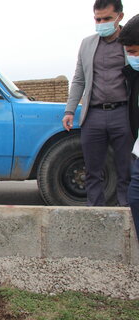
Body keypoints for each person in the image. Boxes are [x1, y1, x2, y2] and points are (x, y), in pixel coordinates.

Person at [62, 0, 132, 206]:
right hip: (93, 115)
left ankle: (127, 213)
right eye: (97, 19)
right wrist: (69, 110)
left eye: (106, 19)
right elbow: (78, 80)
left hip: (123, 114)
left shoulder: (130, 43)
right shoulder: (87, 44)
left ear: (119, 16)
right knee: (92, 171)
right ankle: (95, 213)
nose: (101, 23)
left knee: (125, 169)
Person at [122, 14, 139, 243]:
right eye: (130, 52)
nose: (132, 57)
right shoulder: (133, 77)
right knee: (134, 198)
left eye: (135, 51)